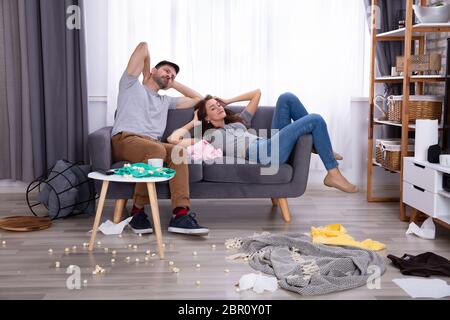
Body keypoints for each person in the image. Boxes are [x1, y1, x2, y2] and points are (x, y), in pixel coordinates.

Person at [168, 90, 358, 193]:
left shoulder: (239, 121)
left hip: (270, 143)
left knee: (287, 98)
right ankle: (332, 173)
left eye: (218, 104)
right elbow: (173, 139)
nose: (218, 107)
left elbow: (256, 93)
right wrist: (193, 122)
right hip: (263, 154)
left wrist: (228, 100)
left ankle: (319, 146)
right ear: (206, 118)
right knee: (315, 119)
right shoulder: (206, 137)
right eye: (212, 107)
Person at [111, 42, 209, 235]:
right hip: (126, 139)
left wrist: (173, 83)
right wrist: (147, 72)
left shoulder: (166, 101)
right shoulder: (130, 85)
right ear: (154, 70)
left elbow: (200, 100)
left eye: (172, 75)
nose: (169, 76)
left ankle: (180, 214)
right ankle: (137, 211)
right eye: (166, 71)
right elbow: (142, 47)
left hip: (152, 145)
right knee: (156, 151)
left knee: (179, 152)